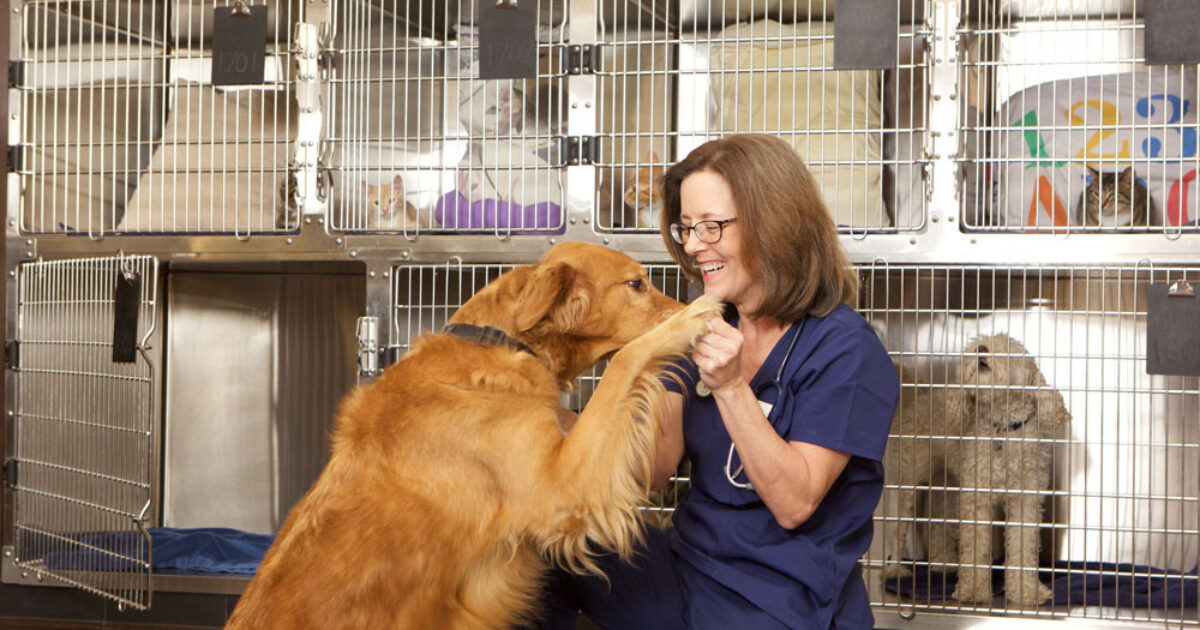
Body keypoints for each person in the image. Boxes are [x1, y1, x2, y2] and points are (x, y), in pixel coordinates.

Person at [530, 134, 899, 629]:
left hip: (781, 600)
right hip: (686, 571)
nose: (695, 245)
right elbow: (652, 469)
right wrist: (547, 420)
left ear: (776, 223)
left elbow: (795, 503)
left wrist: (730, 387)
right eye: (686, 228)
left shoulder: (846, 349)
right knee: (536, 546)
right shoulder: (705, 325)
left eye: (712, 226)